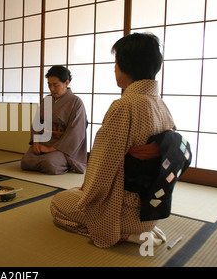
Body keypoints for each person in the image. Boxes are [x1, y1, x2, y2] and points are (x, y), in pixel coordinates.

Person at [50, 33, 176, 248]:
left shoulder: (124, 107)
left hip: (122, 212)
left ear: (127, 66)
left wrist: (87, 192)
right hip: (151, 211)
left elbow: (103, 166)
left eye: (115, 63)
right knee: (72, 192)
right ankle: (140, 230)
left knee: (57, 204)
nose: (114, 68)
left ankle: (120, 234)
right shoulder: (162, 106)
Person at [21, 65, 88, 175]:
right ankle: (50, 159)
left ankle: (66, 163)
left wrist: (51, 149)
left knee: (50, 164)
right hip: (44, 143)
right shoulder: (47, 100)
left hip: (62, 148)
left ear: (66, 83)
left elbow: (75, 133)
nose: (52, 89)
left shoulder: (76, 103)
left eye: (55, 85)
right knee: (26, 161)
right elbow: (37, 123)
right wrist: (36, 142)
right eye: (49, 85)